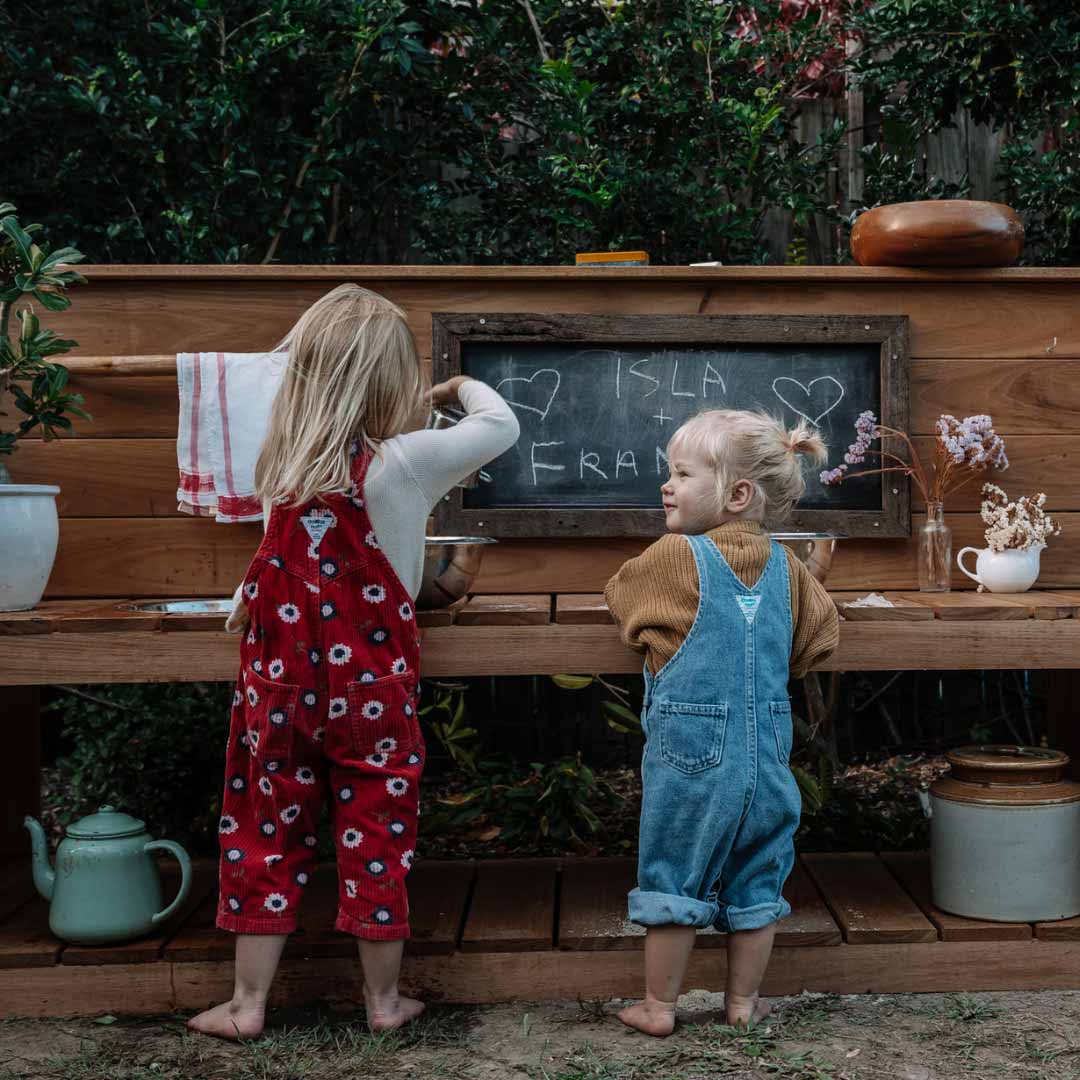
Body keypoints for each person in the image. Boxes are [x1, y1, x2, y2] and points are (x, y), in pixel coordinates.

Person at [188, 284, 519, 1040]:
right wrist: (457, 388)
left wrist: (242, 602)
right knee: (376, 833)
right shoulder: (404, 464)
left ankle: (246, 1005)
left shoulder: (283, 468)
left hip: (278, 690)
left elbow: (271, 565)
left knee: (265, 831)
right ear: (392, 383)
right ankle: (384, 1003)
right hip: (372, 694)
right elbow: (501, 425)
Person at [604, 408, 839, 1036]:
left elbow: (624, 600)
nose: (666, 486)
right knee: (759, 875)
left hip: (693, 754)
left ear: (737, 495)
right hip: (767, 754)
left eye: (682, 474)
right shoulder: (788, 568)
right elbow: (818, 639)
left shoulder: (674, 556)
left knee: (675, 868)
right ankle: (742, 1004)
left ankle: (658, 1007)